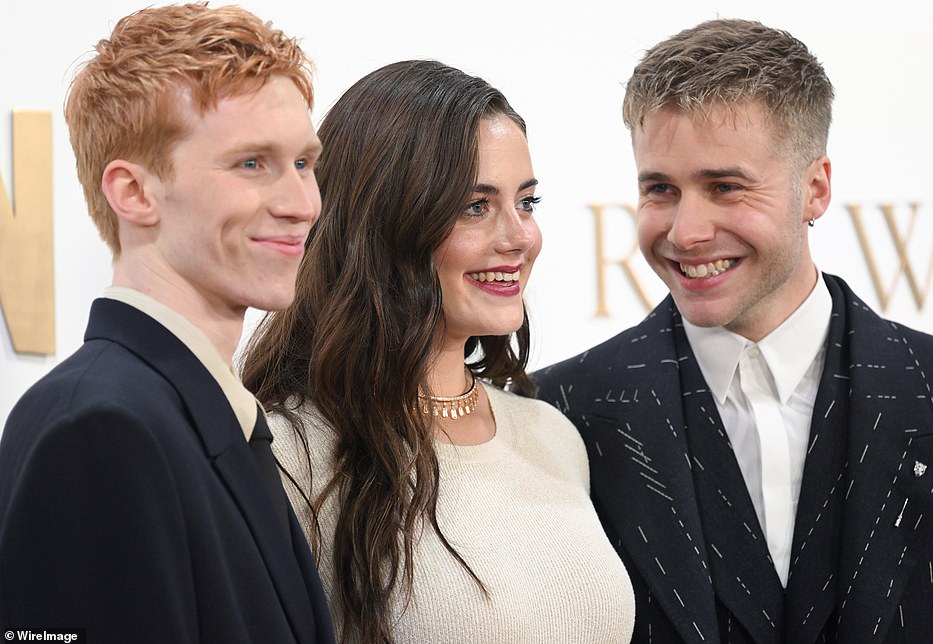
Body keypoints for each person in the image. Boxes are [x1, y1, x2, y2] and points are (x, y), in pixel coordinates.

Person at [534, 18, 933, 643]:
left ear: (815, 189)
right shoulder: (555, 418)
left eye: (724, 187)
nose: (685, 231)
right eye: (660, 189)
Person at [241, 59, 635, 644]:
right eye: (475, 206)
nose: (519, 237)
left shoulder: (553, 436)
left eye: (527, 202)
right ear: (386, 223)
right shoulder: (291, 459)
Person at [0, 4, 335, 642]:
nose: (302, 204)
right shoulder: (99, 428)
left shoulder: (206, 414)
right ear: (133, 193)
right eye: (252, 164)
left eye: (302, 163)